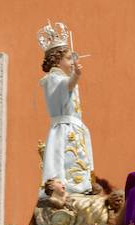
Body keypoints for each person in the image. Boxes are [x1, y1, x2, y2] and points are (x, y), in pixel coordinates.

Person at [37, 21, 94, 195]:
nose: (72, 62)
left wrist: (74, 76)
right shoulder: (54, 79)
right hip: (64, 131)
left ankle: (78, 190)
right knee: (66, 166)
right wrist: (76, 75)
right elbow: (66, 86)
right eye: (69, 58)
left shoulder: (63, 78)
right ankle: (67, 192)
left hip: (73, 130)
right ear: (56, 61)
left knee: (77, 165)